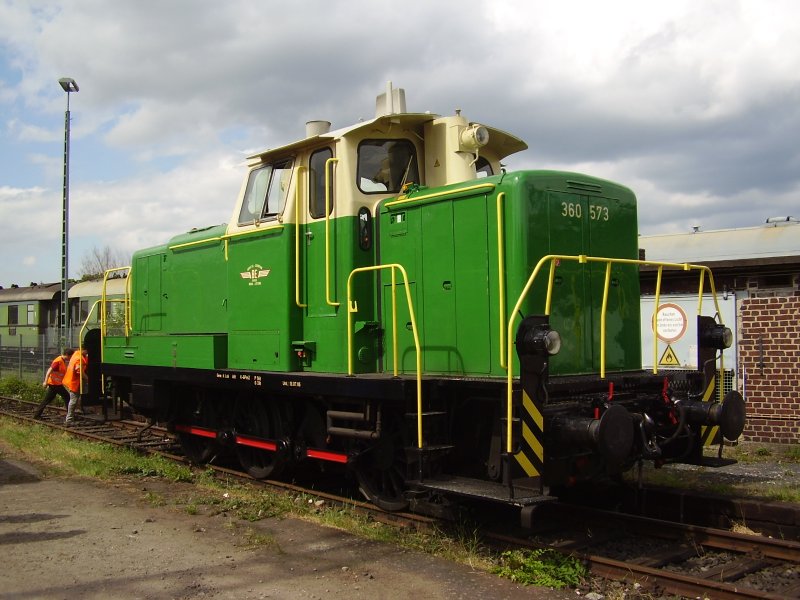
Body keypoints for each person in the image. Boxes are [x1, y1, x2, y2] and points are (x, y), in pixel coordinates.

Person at [33, 348, 74, 419]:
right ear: (67, 355)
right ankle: (69, 415)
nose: (70, 358)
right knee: (67, 397)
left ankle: (37, 415)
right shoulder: (58, 361)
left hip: (56, 384)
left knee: (47, 400)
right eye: (70, 356)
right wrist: (45, 381)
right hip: (54, 384)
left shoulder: (62, 361)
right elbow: (49, 371)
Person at [63, 348, 88, 425]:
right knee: (73, 401)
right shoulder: (78, 358)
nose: (87, 353)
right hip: (74, 382)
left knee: (74, 400)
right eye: (87, 351)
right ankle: (69, 419)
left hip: (72, 381)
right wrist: (87, 378)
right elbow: (79, 371)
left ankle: (72, 416)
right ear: (83, 350)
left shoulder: (75, 355)